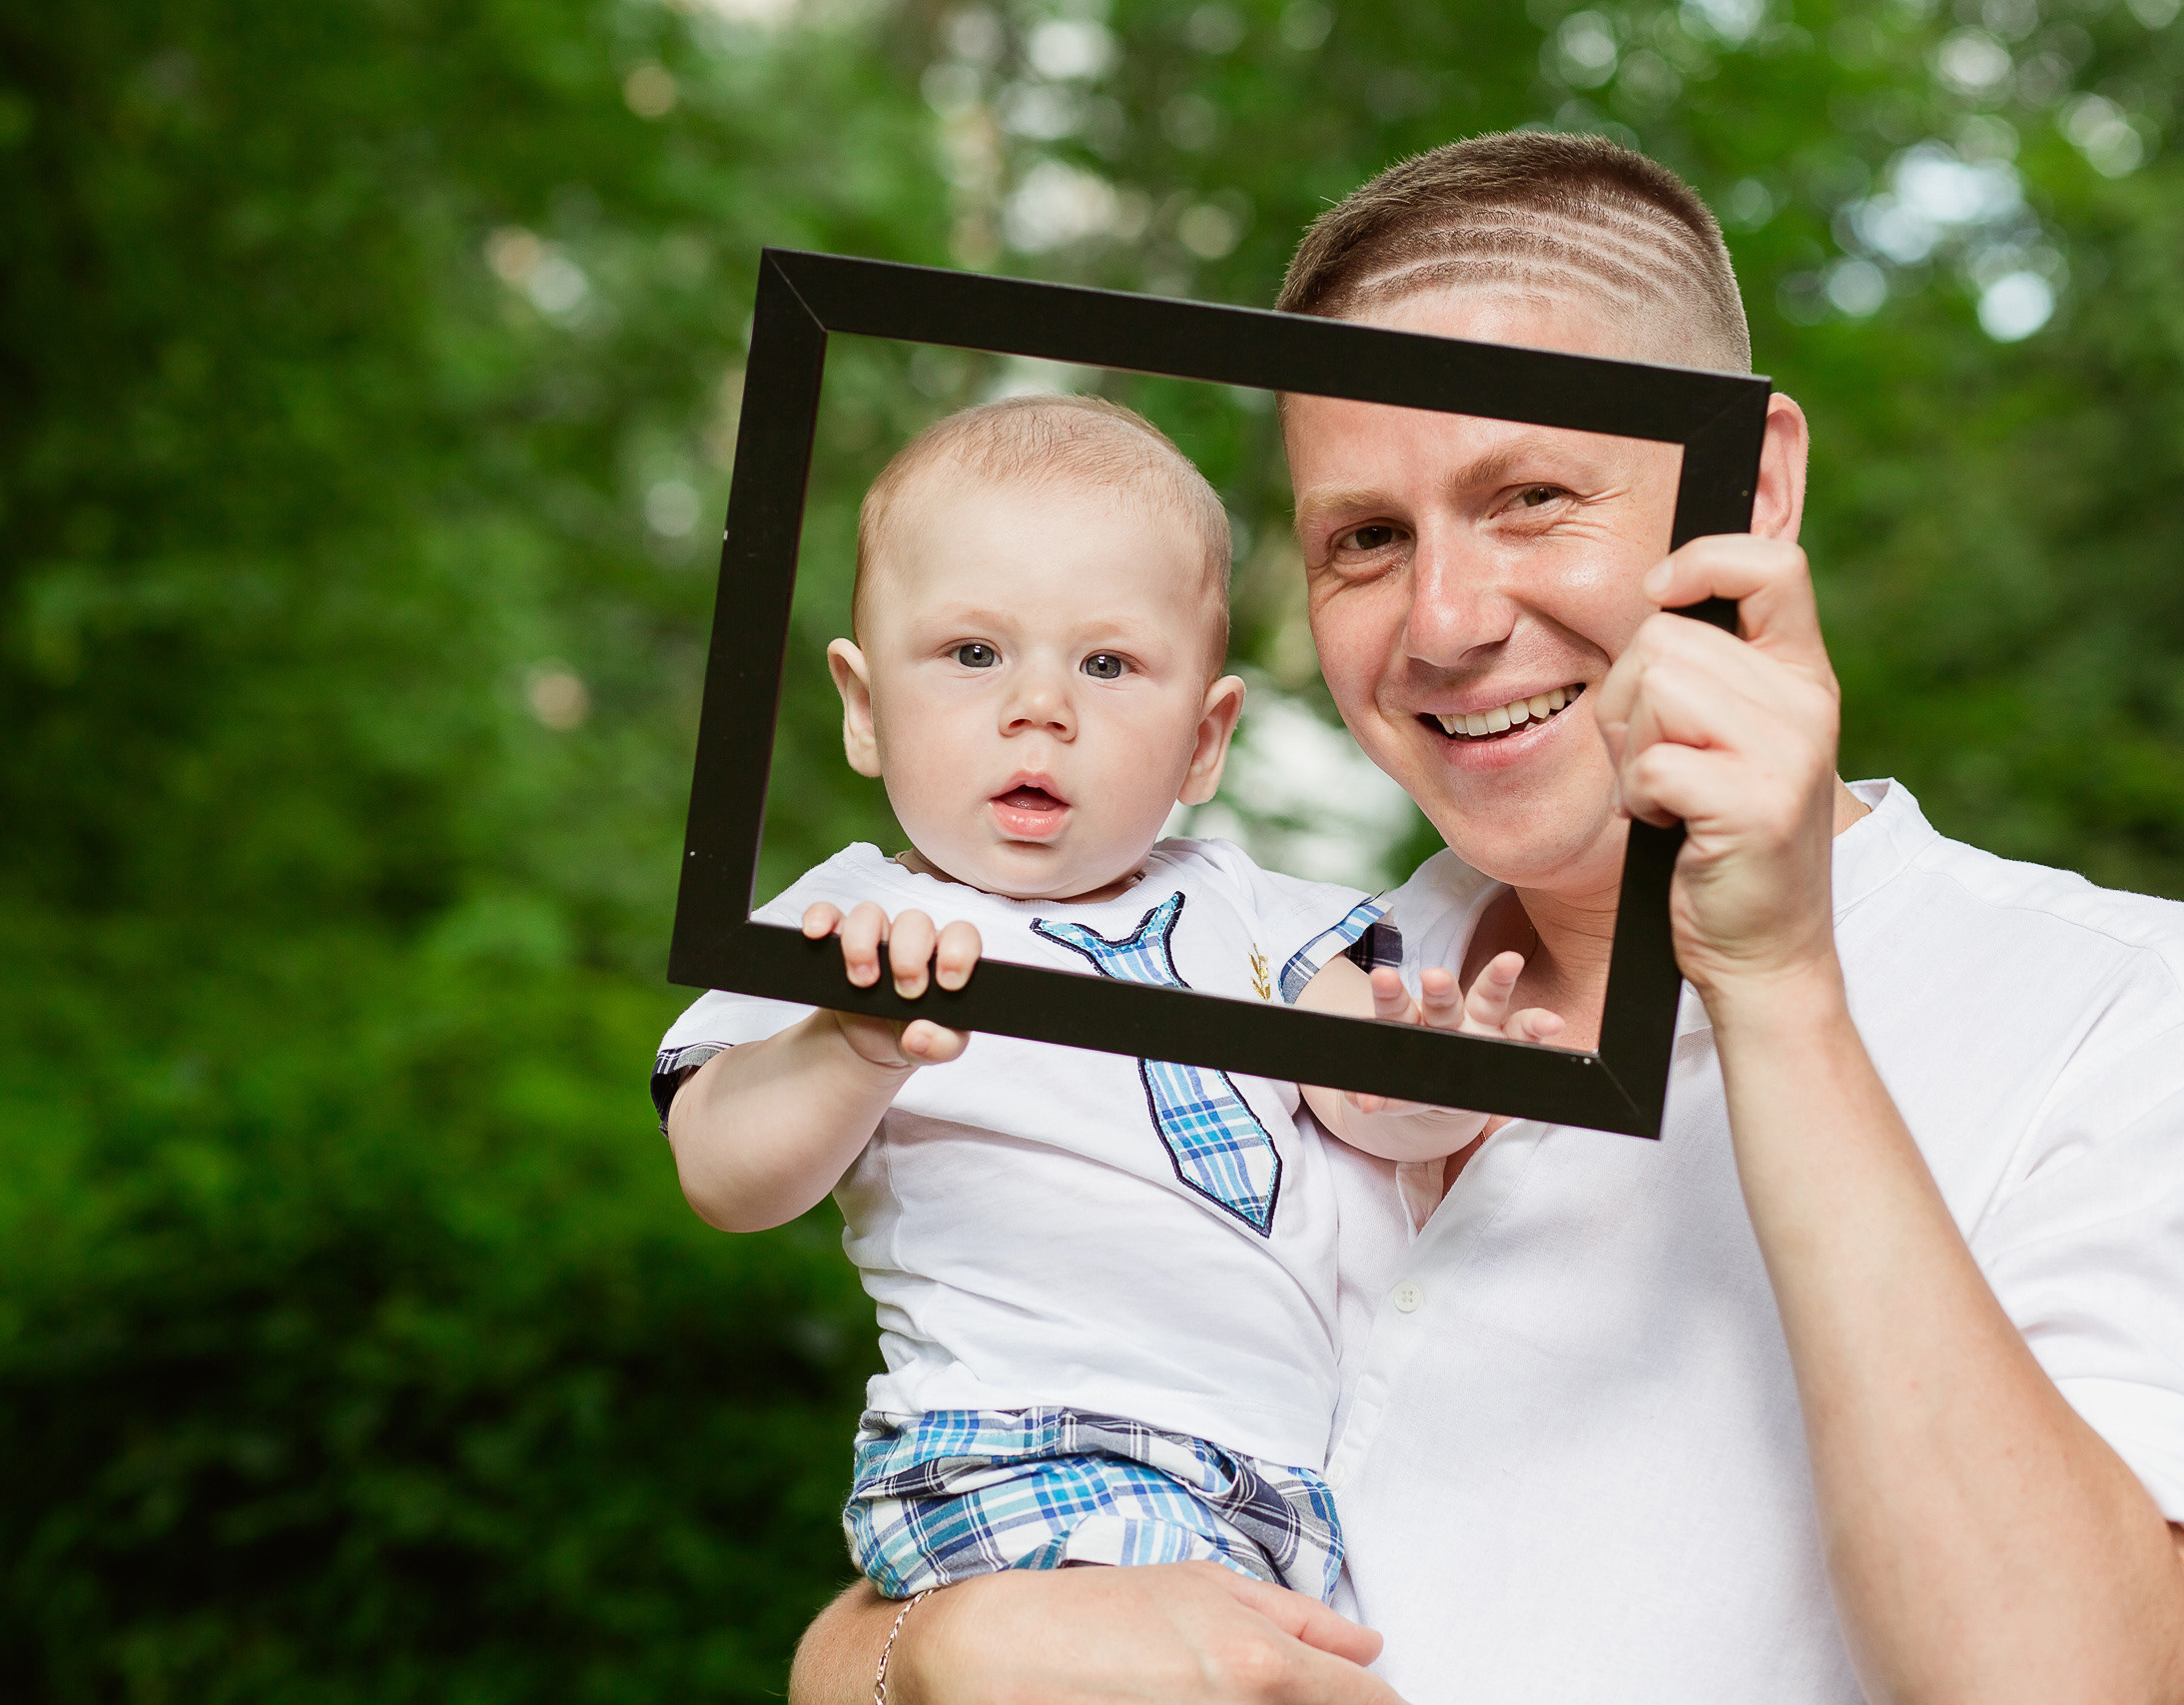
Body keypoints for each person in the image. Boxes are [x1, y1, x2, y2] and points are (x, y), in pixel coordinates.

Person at [788, 134, 2184, 1704]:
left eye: (1531, 496)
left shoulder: (2146, 1016)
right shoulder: (1257, 981)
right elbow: (898, 1607)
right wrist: (943, 1645)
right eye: (1366, 539)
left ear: (1759, 481)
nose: (1447, 623)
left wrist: (1777, 978)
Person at [653, 395, 1564, 1610]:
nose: (1041, 706)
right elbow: (723, 1172)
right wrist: (847, 1043)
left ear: (1203, 737)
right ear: (865, 709)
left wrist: (1445, 1071)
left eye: (1108, 663)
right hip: (1025, 1442)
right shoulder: (854, 923)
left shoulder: (1259, 912)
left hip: (1276, 1482)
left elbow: (1367, 1102)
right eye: (973, 654)